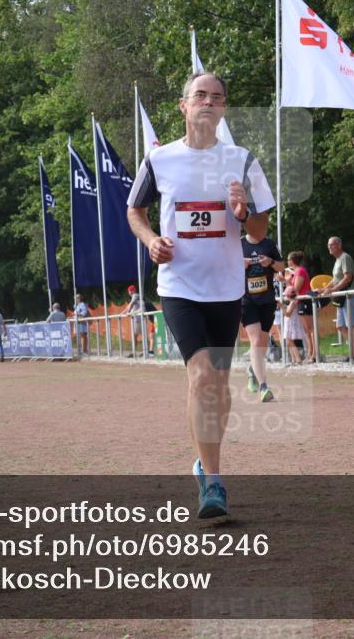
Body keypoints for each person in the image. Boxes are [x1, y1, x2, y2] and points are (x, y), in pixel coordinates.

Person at [127, 71, 275, 520]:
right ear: (184, 105)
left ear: (224, 107)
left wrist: (243, 212)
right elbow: (134, 210)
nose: (208, 102)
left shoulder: (242, 160)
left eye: (216, 97)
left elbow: (260, 230)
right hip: (179, 286)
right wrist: (151, 240)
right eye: (200, 95)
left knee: (220, 386)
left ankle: (203, 461)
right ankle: (213, 481)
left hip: (226, 288)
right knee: (202, 376)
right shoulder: (160, 160)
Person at [241, 231, 284, 402]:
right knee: (256, 340)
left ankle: (253, 370)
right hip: (246, 300)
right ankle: (263, 387)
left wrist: (270, 262)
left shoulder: (269, 244)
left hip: (267, 301)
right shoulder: (238, 244)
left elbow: (282, 267)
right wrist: (239, 264)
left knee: (262, 343)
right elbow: (223, 268)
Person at [320, 237, 354, 361]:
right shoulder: (338, 260)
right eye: (328, 245)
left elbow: (348, 278)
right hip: (342, 297)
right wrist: (324, 289)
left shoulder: (345, 257)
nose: (329, 247)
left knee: (350, 325)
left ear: (339, 245)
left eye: (331, 244)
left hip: (349, 296)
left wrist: (332, 290)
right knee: (340, 326)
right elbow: (335, 279)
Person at [287, 251, 316, 363]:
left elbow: (296, 289)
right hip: (300, 301)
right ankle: (310, 353)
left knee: (310, 329)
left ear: (292, 261)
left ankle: (314, 354)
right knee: (307, 330)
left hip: (304, 301)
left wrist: (289, 292)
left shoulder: (300, 271)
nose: (287, 261)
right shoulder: (297, 271)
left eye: (288, 259)